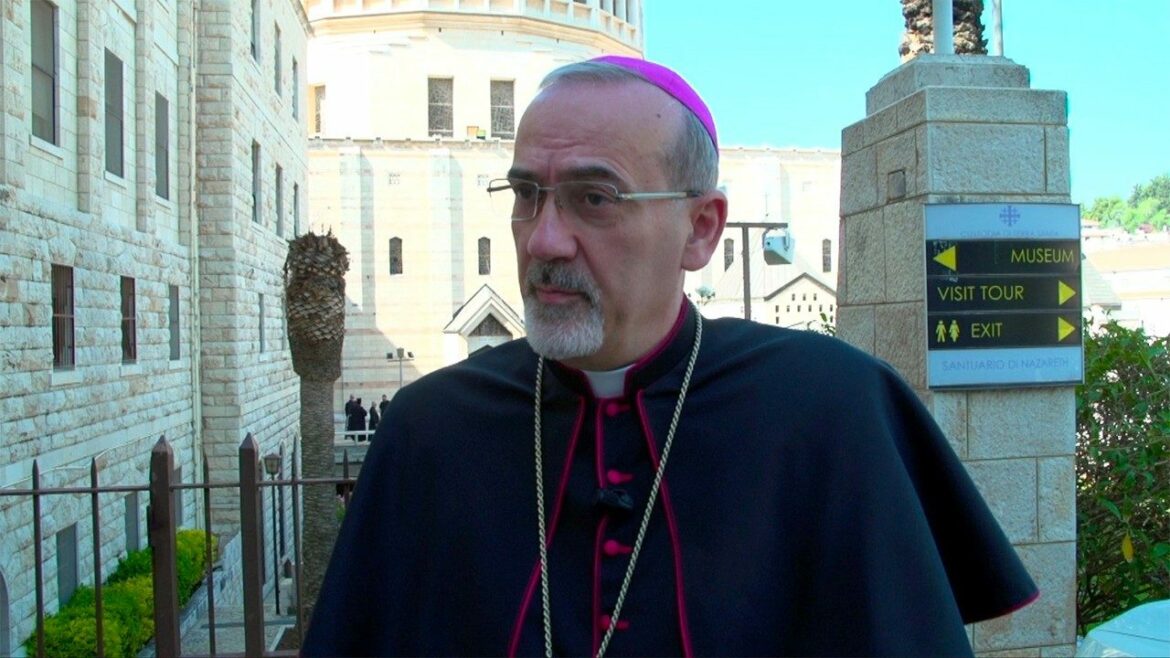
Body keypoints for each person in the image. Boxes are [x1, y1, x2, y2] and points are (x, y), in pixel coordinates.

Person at [302, 56, 1037, 657]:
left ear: (702, 228)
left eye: (594, 198)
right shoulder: (429, 429)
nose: (543, 239)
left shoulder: (833, 408)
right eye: (528, 194)